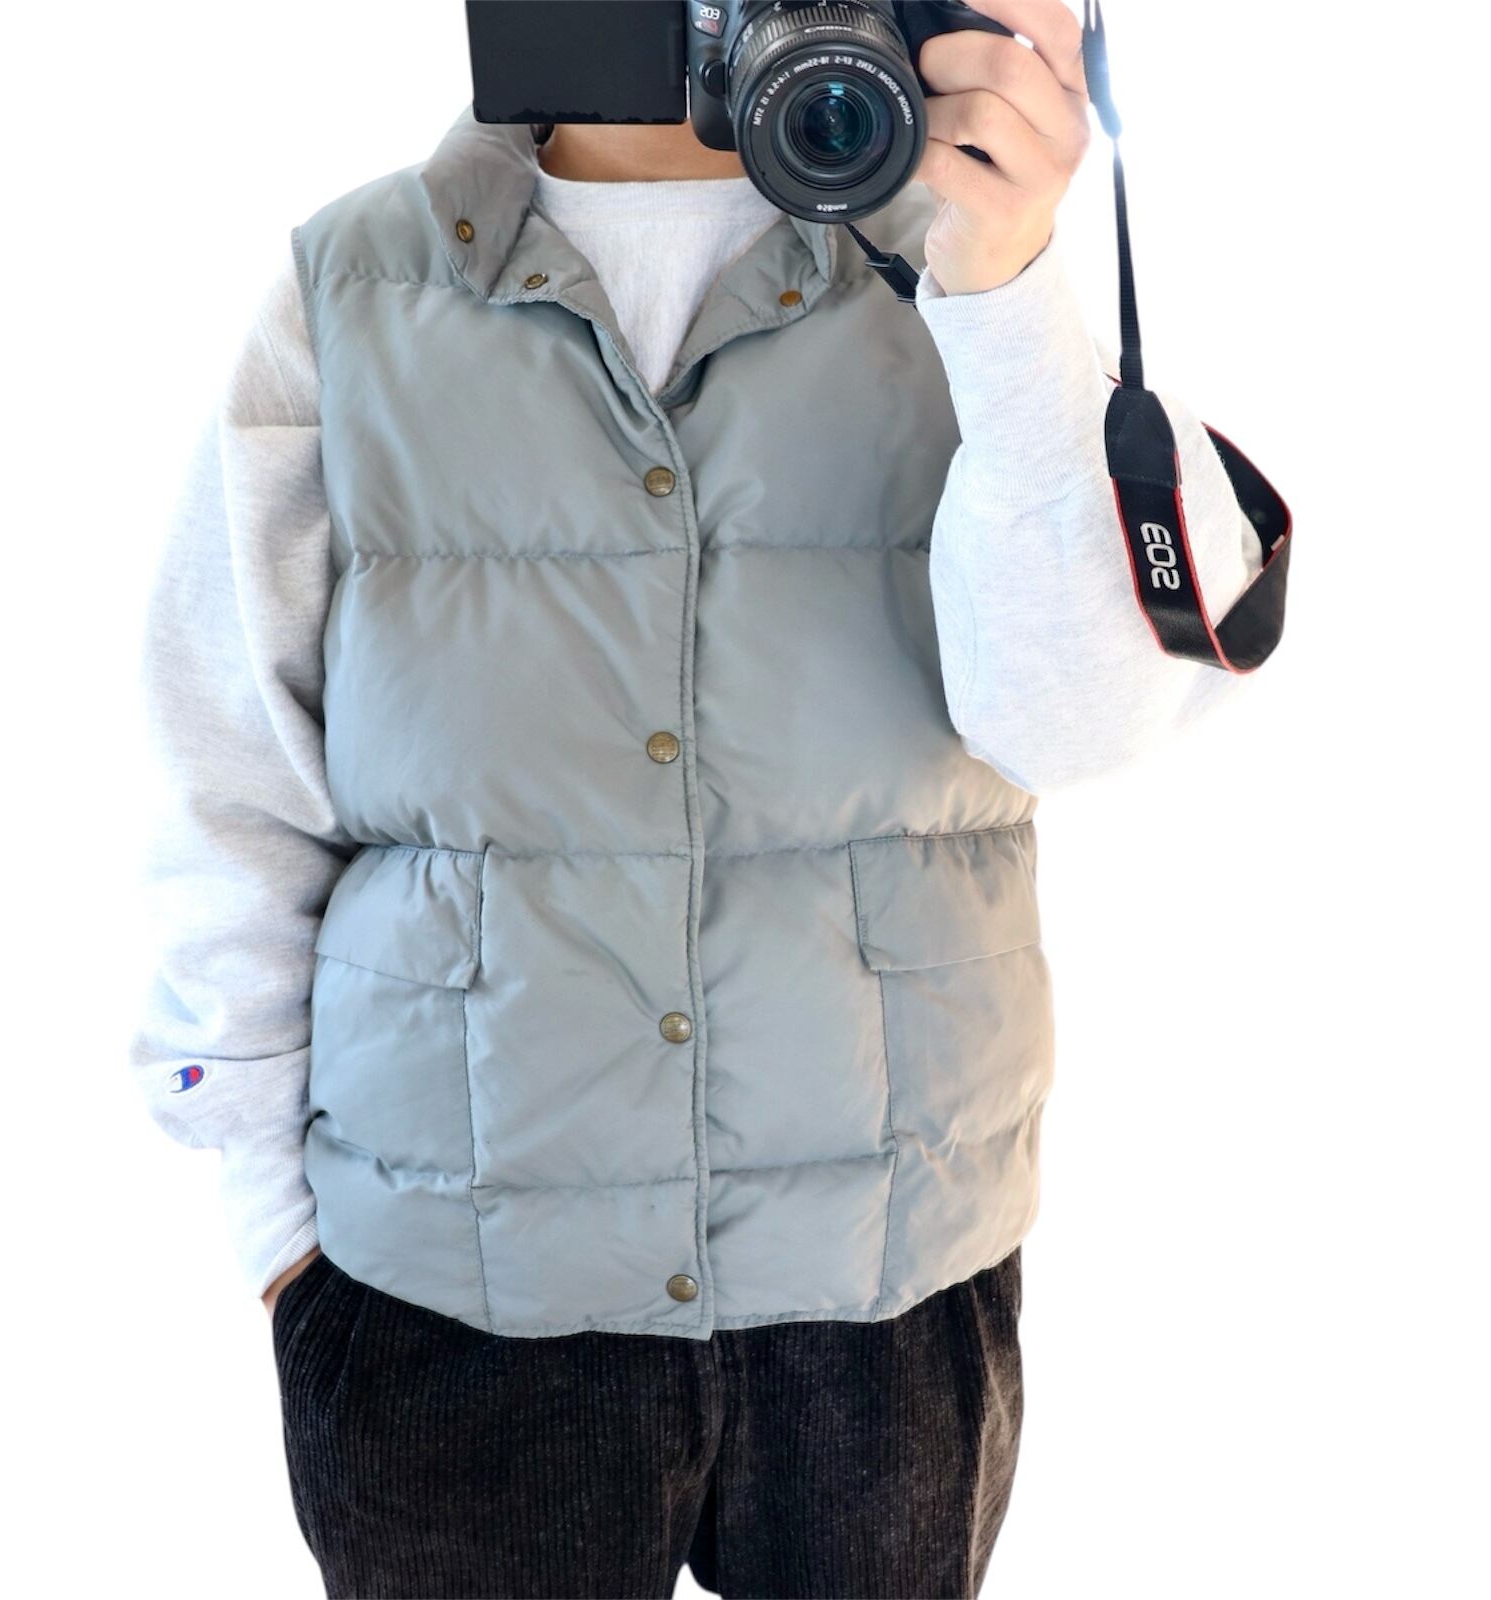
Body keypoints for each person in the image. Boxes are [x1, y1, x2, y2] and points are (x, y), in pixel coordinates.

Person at [129, 2, 1271, 1594]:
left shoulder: (969, 268)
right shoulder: (352, 288)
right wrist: (276, 1232)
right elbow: (231, 786)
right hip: (446, 1285)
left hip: (883, 1290)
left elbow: (1077, 723)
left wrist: (1010, 282)